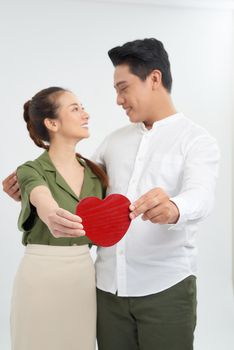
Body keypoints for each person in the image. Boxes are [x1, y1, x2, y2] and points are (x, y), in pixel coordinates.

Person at [3, 38, 220, 350]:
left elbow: (202, 195)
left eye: (123, 87)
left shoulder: (197, 140)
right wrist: (28, 191)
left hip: (165, 288)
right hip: (106, 291)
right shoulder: (113, 142)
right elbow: (77, 187)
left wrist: (175, 206)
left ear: (154, 79)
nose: (118, 99)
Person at [5, 86, 107, 350]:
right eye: (75, 108)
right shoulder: (31, 169)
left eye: (82, 107)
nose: (85, 114)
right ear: (52, 123)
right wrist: (50, 213)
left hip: (83, 275)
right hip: (40, 274)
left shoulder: (96, 175)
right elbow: (40, 196)